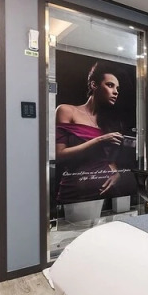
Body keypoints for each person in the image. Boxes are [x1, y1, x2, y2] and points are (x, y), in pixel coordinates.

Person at [55, 61, 125, 203]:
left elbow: (110, 160)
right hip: (74, 192)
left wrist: (116, 174)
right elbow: (59, 155)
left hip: (107, 192)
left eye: (117, 88)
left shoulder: (110, 123)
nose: (115, 92)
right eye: (110, 85)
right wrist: (99, 140)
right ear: (94, 85)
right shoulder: (67, 111)